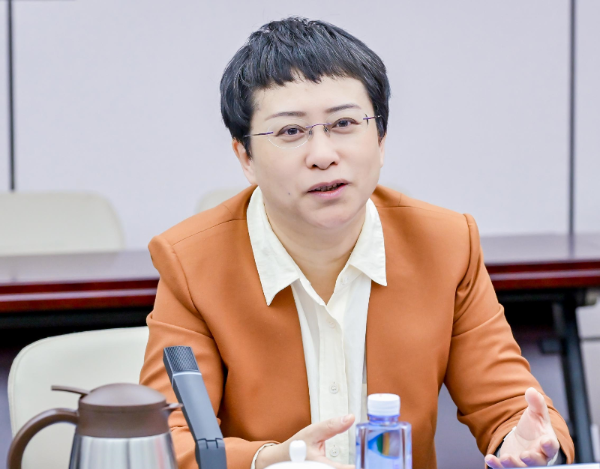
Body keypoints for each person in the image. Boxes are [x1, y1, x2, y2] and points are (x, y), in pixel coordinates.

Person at [140, 17, 574, 469]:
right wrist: (274, 460)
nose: (323, 155)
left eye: (344, 123)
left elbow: (508, 405)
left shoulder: (445, 246)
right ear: (245, 156)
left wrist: (526, 444)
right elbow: (166, 441)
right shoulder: (192, 264)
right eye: (290, 132)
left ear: (381, 140)